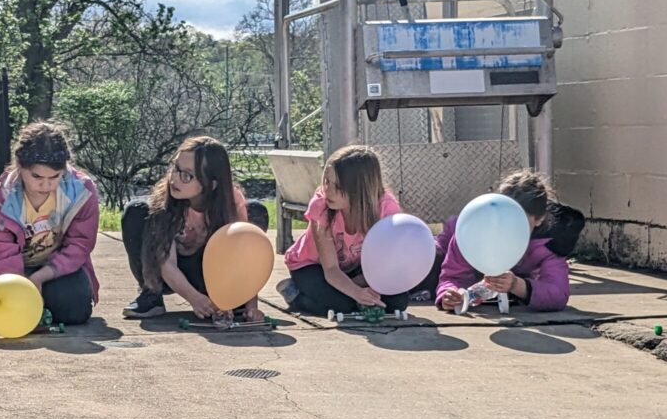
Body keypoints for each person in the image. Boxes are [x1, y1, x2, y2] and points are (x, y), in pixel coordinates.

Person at [0, 121, 99, 326]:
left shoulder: (83, 191)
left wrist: (41, 277)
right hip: (3, 267)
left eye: (54, 177)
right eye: (36, 176)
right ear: (19, 166)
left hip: (55, 270)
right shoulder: (3, 196)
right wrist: (20, 291)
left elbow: (79, 245)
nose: (46, 185)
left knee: (75, 309)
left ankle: (43, 305)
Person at [122, 136, 262, 320]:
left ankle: (230, 299)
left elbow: (245, 257)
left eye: (186, 175)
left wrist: (251, 305)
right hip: (169, 272)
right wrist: (194, 299)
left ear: (211, 184)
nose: (174, 179)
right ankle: (151, 293)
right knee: (136, 212)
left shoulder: (231, 203)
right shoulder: (165, 202)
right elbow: (166, 263)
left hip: (208, 271)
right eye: (174, 168)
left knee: (257, 212)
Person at [276, 145, 408, 316]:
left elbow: (388, 262)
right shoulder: (321, 205)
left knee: (397, 303)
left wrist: (367, 287)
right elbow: (331, 269)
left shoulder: (386, 209)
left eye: (337, 187)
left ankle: (340, 295)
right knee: (343, 305)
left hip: (358, 268)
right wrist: (356, 292)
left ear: (359, 189)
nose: (328, 191)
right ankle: (296, 296)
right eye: (327, 182)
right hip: (312, 266)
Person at [436, 170, 584, 312]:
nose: (509, 227)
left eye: (519, 221)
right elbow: (452, 276)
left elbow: (558, 294)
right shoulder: (471, 232)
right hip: (440, 251)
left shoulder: (551, 244)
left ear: (539, 219)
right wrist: (449, 295)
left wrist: (518, 286)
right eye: (504, 217)